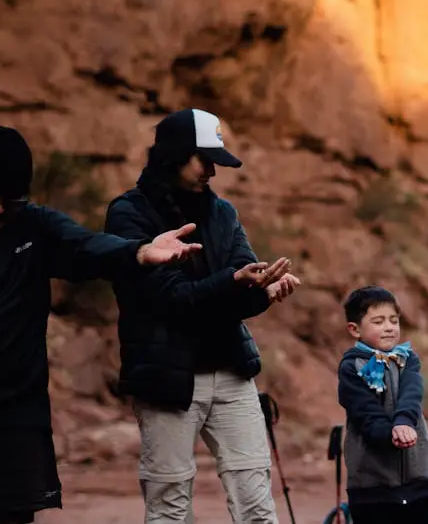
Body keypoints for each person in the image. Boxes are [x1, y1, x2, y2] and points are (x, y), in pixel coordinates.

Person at [0, 125, 202, 524]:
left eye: (12, 200)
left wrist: (139, 252)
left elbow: (88, 247)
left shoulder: (36, 228)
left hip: (14, 412)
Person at [104, 108, 300, 524]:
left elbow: (241, 289)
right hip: (166, 379)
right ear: (174, 154)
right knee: (170, 510)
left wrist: (262, 291)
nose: (213, 170)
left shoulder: (223, 213)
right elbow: (165, 299)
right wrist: (233, 282)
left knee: (258, 506)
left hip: (231, 372)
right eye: (204, 159)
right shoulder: (128, 214)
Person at [337, 285, 428, 524]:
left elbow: (412, 393)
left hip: (418, 479)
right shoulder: (352, 367)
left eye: (394, 320)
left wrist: (404, 422)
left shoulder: (408, 360)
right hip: (372, 484)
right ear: (354, 329)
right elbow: (364, 410)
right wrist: (389, 434)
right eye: (378, 321)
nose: (389, 327)